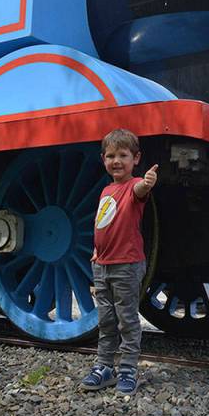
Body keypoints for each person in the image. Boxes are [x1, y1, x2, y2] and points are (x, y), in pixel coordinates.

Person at [79, 128, 157, 395]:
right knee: (106, 319)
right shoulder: (106, 190)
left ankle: (128, 369)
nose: (116, 161)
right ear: (103, 159)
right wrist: (96, 252)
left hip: (126, 264)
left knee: (126, 319)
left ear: (136, 158)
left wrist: (147, 182)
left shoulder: (132, 187)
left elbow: (141, 190)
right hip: (102, 264)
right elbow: (103, 225)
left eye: (123, 155)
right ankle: (104, 366)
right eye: (111, 156)